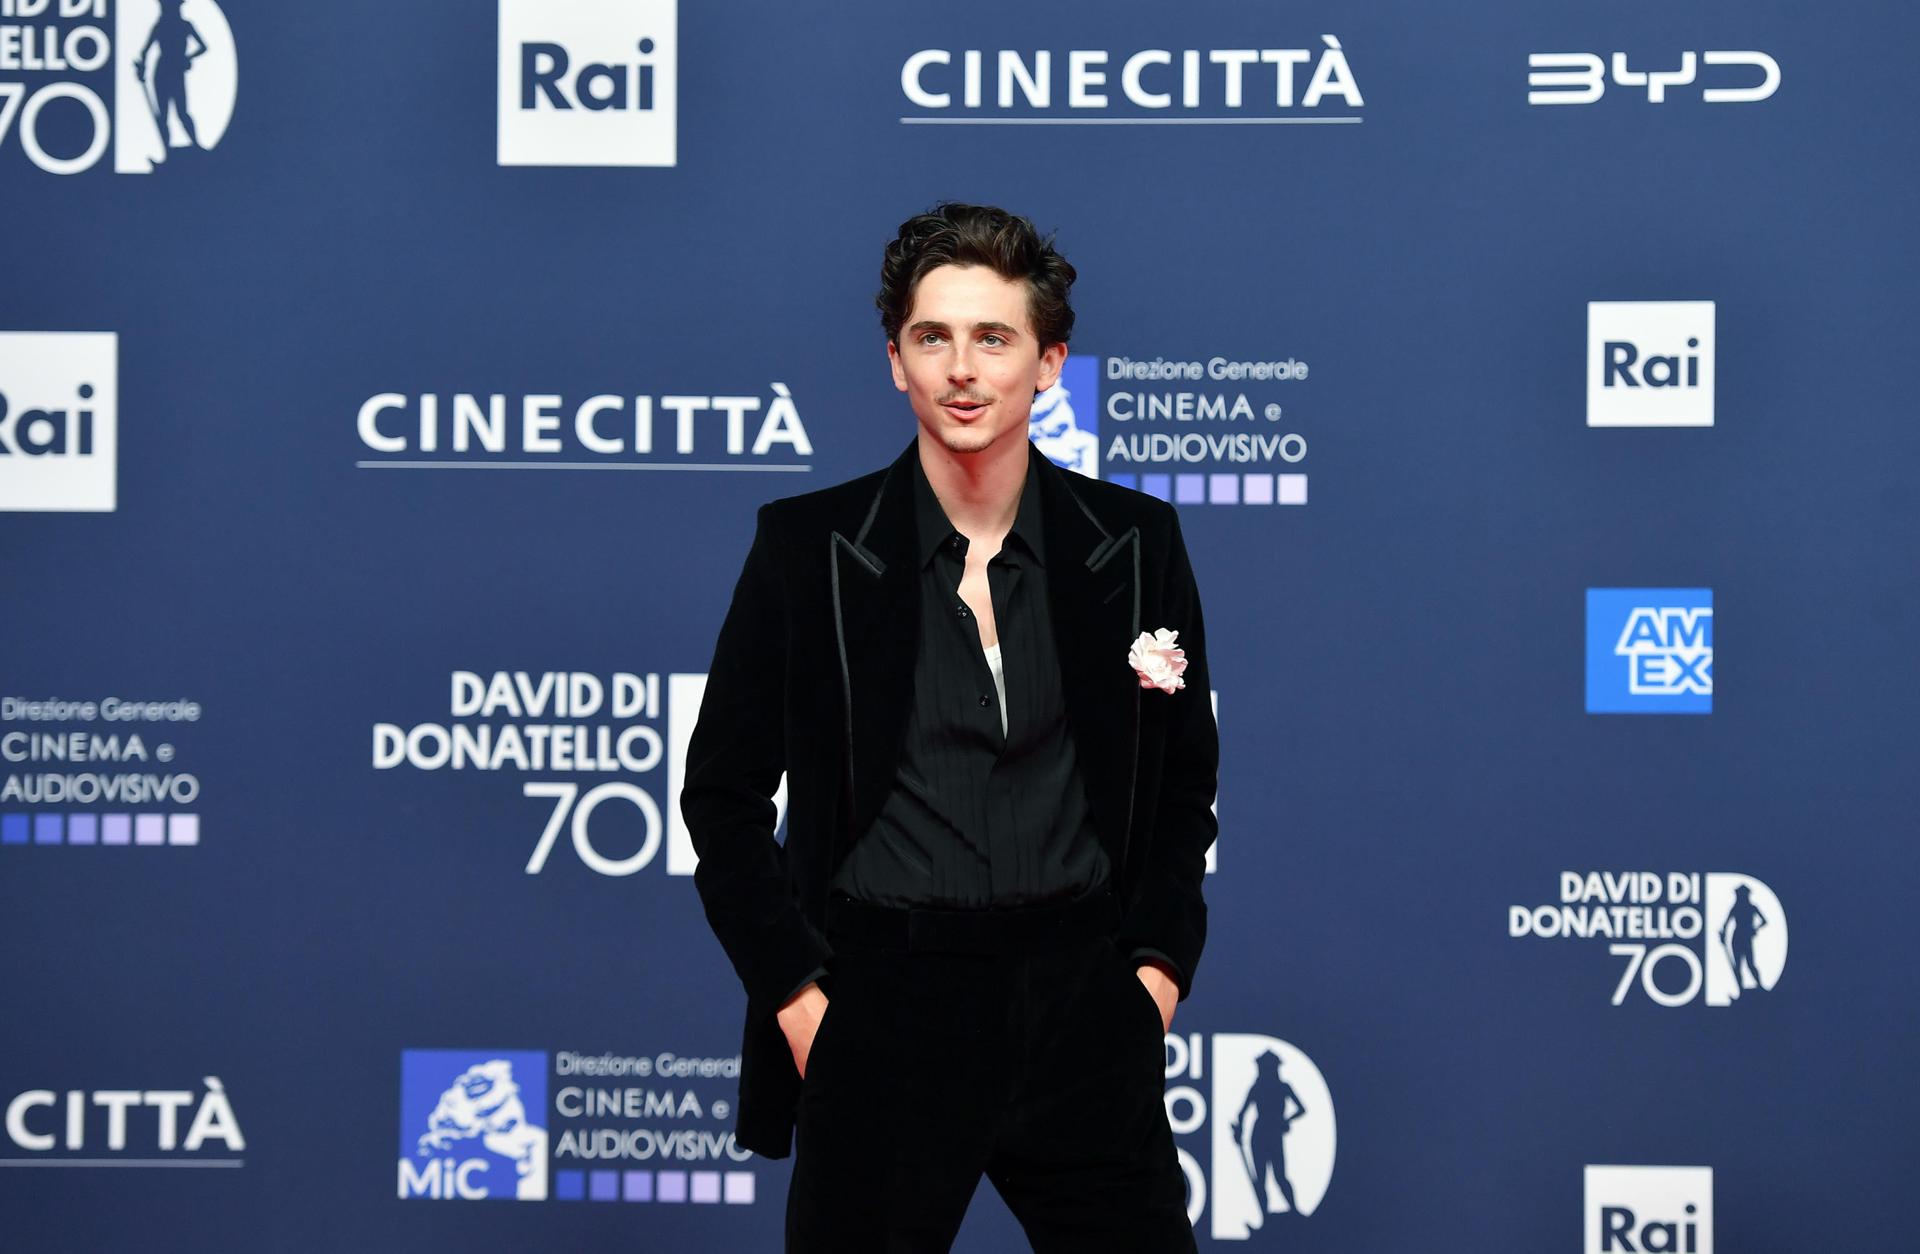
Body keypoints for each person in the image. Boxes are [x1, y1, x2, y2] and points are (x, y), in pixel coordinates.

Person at [681, 202, 1219, 1252]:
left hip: (1083, 1013)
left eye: (994, 338)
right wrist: (801, 1000)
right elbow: (721, 798)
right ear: (897, 362)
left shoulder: (1136, 543)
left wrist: (1151, 977)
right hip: (882, 1011)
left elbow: (1183, 785)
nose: (962, 369)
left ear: (1049, 364)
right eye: (933, 337)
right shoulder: (807, 549)